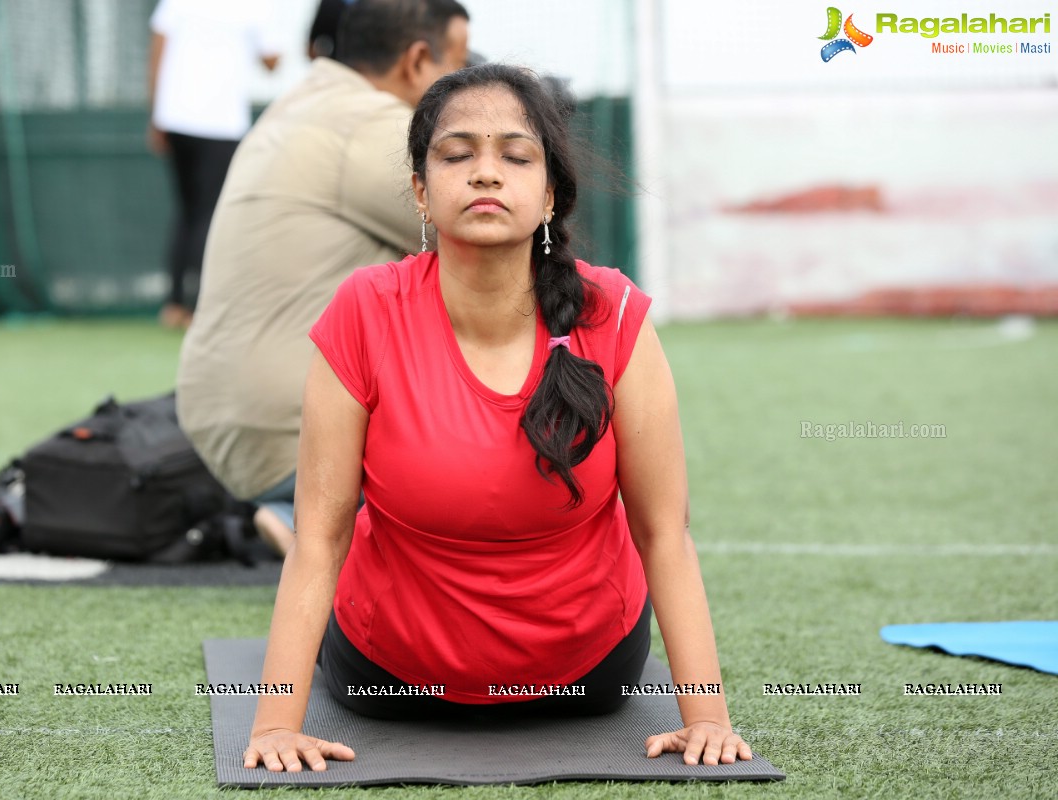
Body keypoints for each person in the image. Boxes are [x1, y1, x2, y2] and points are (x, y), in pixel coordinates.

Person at [240, 63, 754, 772]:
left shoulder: (614, 315)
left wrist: (707, 720)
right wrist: (273, 727)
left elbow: (664, 531)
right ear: (421, 191)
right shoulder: (366, 308)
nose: (485, 174)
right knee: (314, 535)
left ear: (549, 195)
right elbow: (320, 539)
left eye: (514, 156)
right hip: (391, 678)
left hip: (585, 677)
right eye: (457, 155)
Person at [176, 0, 471, 555]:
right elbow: (508, 238)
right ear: (415, 61)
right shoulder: (373, 126)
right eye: (458, 64)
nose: (468, 87)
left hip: (232, 422)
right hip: (292, 434)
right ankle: (322, 520)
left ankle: (305, 515)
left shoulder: (305, 102)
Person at [148, 0, 283, 329]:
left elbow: (157, 52)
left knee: (188, 209)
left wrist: (155, 115)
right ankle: (201, 306)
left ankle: (176, 303)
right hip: (221, 124)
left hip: (175, 118)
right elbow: (271, 60)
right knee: (211, 212)